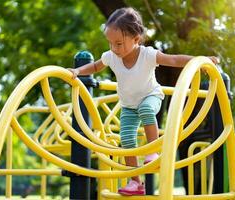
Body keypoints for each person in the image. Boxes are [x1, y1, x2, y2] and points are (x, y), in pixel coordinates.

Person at [68, 7, 218, 196]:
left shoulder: (147, 55)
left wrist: (200, 60)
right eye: (110, 43)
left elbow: (172, 60)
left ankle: (152, 152)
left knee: (147, 110)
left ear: (136, 39)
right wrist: (78, 72)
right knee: (127, 139)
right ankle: (135, 183)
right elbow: (96, 66)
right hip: (129, 106)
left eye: (119, 43)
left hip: (151, 97)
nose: (114, 48)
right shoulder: (112, 56)